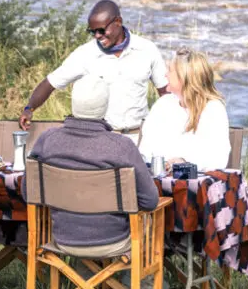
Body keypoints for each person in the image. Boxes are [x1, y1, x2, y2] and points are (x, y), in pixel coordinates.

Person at [26, 74, 159, 257]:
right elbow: (150, 201)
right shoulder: (122, 146)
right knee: (152, 220)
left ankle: (86, 283)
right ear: (105, 106)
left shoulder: (47, 140)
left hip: (63, 239)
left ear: (73, 104)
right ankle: (138, 286)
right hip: (114, 241)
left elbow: (28, 192)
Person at [19, 0, 168, 141]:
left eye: (102, 30)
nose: (98, 36)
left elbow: (165, 94)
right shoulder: (84, 54)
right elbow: (50, 83)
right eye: (93, 32)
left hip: (140, 137)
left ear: (118, 22)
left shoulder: (146, 49)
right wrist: (29, 109)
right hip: (102, 138)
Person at [139, 48, 230, 173]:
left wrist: (183, 163)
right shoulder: (163, 104)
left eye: (170, 70)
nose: (165, 75)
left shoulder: (213, 109)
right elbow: (145, 150)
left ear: (184, 77)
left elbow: (217, 158)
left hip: (194, 185)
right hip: (158, 180)